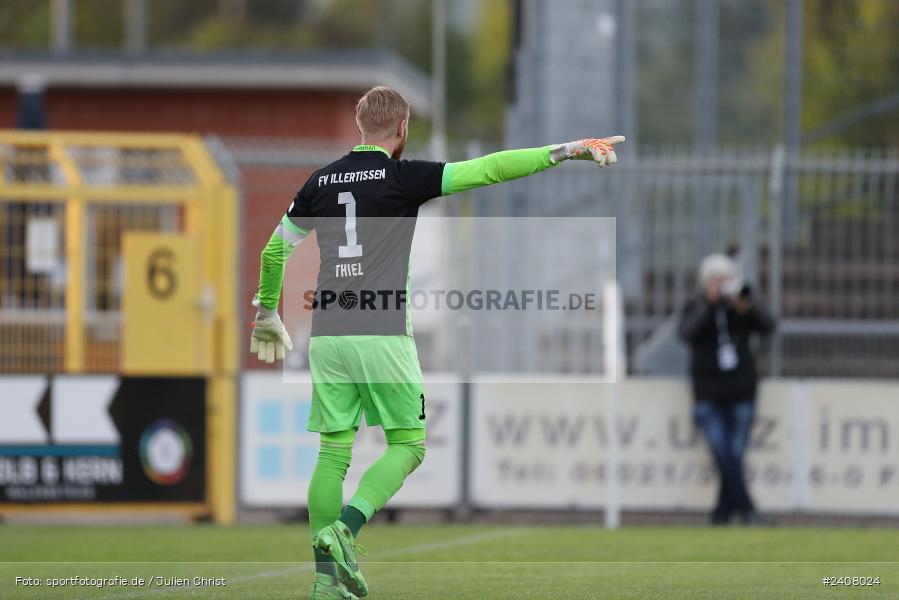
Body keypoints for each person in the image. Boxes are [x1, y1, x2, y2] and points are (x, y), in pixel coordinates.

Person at [250, 85, 625, 599]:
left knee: (333, 453)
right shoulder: (404, 177)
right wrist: (565, 150)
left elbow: (274, 252)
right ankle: (346, 530)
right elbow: (491, 169)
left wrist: (267, 313)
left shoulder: (320, 180)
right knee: (409, 444)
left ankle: (324, 582)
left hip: (329, 330)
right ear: (401, 129)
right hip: (380, 331)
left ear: (360, 128)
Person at [678, 253, 775, 525]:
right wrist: (709, 305)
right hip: (708, 394)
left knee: (734, 453)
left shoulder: (739, 304)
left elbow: (769, 325)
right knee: (723, 452)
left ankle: (722, 513)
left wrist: (748, 304)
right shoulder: (696, 306)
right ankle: (747, 510)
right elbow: (685, 333)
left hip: (742, 392)